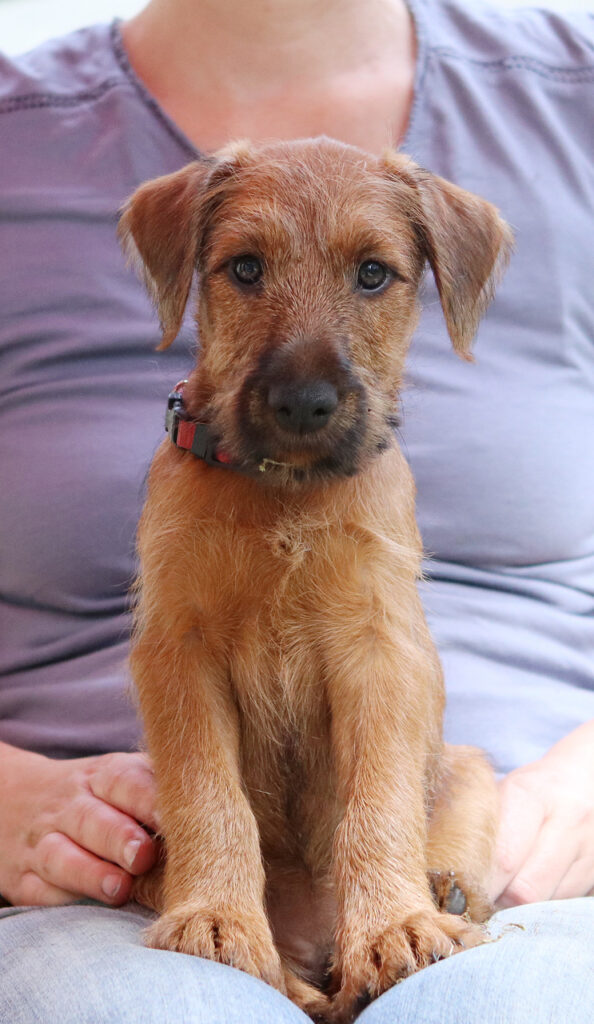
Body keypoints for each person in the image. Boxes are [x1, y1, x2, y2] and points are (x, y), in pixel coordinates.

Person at [0, 0, 593, 1020]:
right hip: (119, 864)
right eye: (244, 271)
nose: (308, 376)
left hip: (506, 846)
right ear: (184, 266)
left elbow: (382, 653)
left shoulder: (570, 93)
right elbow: (176, 646)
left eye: (373, 276)